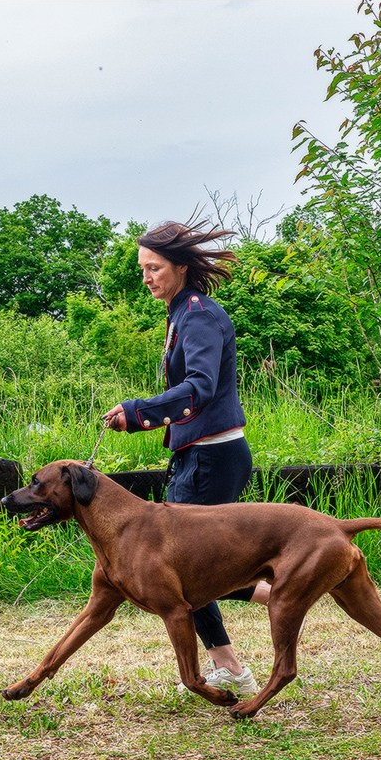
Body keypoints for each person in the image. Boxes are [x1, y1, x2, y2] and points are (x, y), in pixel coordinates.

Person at [103, 219, 271, 694]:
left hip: (211, 458)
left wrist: (139, 413)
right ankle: (235, 656)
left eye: (154, 268)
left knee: (180, 568)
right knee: (190, 567)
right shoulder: (183, 312)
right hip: (201, 456)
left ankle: (262, 616)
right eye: (142, 269)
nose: (146, 277)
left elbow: (200, 387)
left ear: (179, 267)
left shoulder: (197, 315)